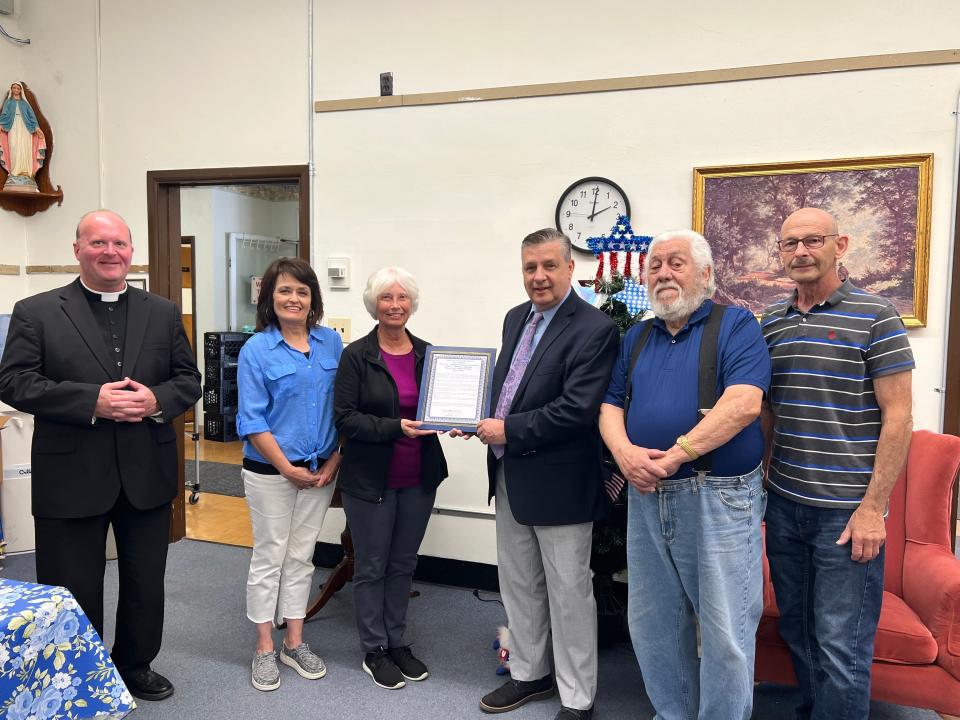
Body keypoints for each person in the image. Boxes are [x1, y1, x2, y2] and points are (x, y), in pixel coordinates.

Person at [0, 209, 201, 701]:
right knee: (72, 584)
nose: (110, 252)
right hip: (71, 473)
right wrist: (92, 401)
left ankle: (134, 665)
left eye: (119, 244)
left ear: (132, 252)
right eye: (98, 243)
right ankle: (76, 672)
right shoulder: (37, 310)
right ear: (77, 250)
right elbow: (13, 381)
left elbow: (188, 380)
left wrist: (156, 400)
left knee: (143, 582)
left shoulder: (162, 311)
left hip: (146, 472)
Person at [598, 229, 770, 720]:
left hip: (716, 497)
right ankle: (672, 714)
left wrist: (675, 455)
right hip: (647, 496)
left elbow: (743, 404)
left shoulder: (735, 326)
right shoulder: (636, 336)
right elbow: (610, 405)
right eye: (654, 266)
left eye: (676, 263)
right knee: (654, 623)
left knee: (725, 629)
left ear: (706, 274)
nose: (663, 274)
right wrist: (626, 453)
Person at [761, 207, 914, 720]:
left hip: (846, 515)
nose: (801, 251)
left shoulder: (877, 316)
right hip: (784, 506)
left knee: (841, 646)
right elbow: (768, 410)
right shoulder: (771, 323)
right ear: (780, 253)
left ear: (839, 245)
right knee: (798, 630)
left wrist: (874, 509)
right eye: (789, 243)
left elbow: (899, 419)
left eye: (813, 240)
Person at [470, 228, 618, 720]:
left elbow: (577, 409)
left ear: (569, 268)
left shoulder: (594, 328)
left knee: (569, 593)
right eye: (530, 267)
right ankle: (529, 675)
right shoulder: (517, 318)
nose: (538, 277)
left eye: (549, 266)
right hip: (510, 475)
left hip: (561, 483)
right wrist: (474, 419)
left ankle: (578, 697)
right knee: (518, 585)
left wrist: (505, 428)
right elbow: (509, 389)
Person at [333, 267, 447, 690]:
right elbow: (345, 418)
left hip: (419, 477)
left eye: (402, 298)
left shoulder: (428, 353)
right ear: (374, 304)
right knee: (372, 565)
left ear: (411, 304)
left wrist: (454, 421)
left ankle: (398, 641)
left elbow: (441, 405)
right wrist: (395, 427)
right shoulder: (356, 356)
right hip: (370, 481)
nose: (395, 305)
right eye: (386, 298)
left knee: (403, 564)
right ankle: (374, 648)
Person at [235, 257, 343, 692]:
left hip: (322, 470)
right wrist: (286, 468)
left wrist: (335, 460)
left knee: (302, 556)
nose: (293, 298)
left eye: (301, 291)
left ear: (313, 298)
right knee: (270, 556)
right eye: (284, 290)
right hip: (270, 473)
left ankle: (293, 641)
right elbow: (251, 420)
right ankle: (264, 647)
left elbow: (345, 408)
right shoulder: (256, 350)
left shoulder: (331, 344)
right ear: (269, 298)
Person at [0, 81, 47, 191]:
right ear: (11, 90)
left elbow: (32, 118)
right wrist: (1, 124)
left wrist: (37, 128)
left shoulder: (25, 104)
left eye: (18, 88)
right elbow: (4, 115)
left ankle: (26, 174)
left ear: (21, 90)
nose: (16, 90)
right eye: (14, 88)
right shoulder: (8, 102)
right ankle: (14, 173)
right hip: (12, 127)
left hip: (26, 129)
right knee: (14, 148)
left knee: (24, 148)